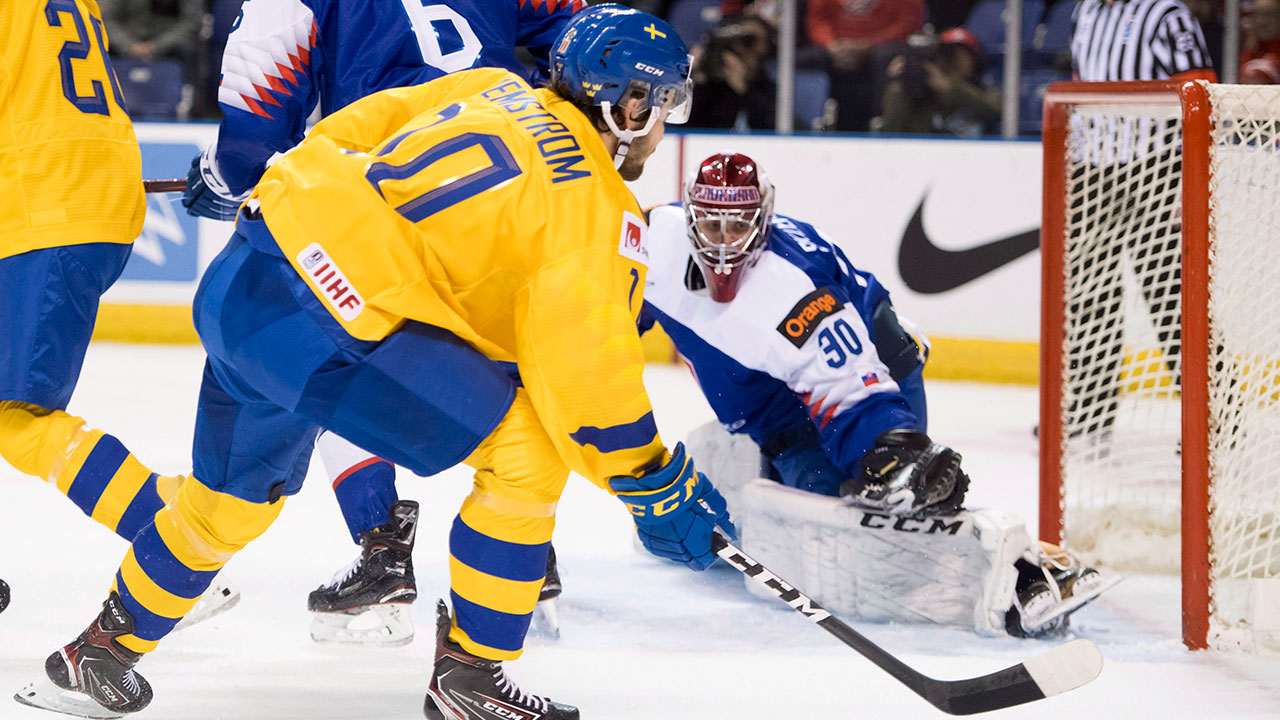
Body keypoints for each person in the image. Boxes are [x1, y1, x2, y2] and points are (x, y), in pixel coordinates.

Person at [20, 8, 733, 719]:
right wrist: (653, 481)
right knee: (529, 455)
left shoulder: (489, 89)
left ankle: (93, 659)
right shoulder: (593, 211)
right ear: (630, 104)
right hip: (328, 326)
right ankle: (470, 680)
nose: (667, 120)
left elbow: (347, 130)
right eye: (665, 102)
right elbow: (587, 391)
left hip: (249, 275)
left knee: (226, 504)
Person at [183, 0, 588, 646]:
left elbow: (251, 145)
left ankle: (383, 549)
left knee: (334, 360)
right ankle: (528, 551)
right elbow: (588, 35)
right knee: (501, 365)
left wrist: (219, 179)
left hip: (387, 195)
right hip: (504, 184)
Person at [639, 151, 1112, 637]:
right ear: (691, 216)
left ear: (763, 221)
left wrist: (893, 450)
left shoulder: (790, 287)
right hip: (777, 405)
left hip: (874, 376)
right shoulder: (657, 242)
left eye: (737, 227)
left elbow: (851, 392)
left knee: (866, 525)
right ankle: (738, 465)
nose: (722, 244)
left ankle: (1024, 568)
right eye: (711, 227)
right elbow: (600, 322)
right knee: (799, 513)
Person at [1066, 0, 1215, 438]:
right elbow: (1080, 89)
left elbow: (1200, 93)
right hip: (1094, 173)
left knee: (1173, 297)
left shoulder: (1166, 14)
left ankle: (1209, 419)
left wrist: (1190, 180)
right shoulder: (1085, 11)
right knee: (1090, 297)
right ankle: (1091, 414)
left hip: (1157, 171)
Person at [806, 0, 924, 131]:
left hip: (883, 48)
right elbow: (818, 19)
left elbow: (908, 21)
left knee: (887, 58)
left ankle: (881, 120)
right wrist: (830, 45)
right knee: (807, 60)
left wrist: (870, 45)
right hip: (835, 49)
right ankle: (804, 124)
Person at [877, 27, 1001, 137]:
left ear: (976, 60)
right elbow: (892, 132)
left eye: (963, 54)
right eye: (947, 52)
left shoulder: (986, 91)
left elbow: (997, 113)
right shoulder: (921, 95)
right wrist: (895, 84)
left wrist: (951, 89)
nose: (954, 59)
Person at [687, 15, 777, 130]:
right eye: (738, 39)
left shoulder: (770, 90)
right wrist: (700, 81)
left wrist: (744, 90)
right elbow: (687, 129)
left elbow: (775, 129)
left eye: (750, 40)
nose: (741, 47)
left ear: (767, 47)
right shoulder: (715, 88)